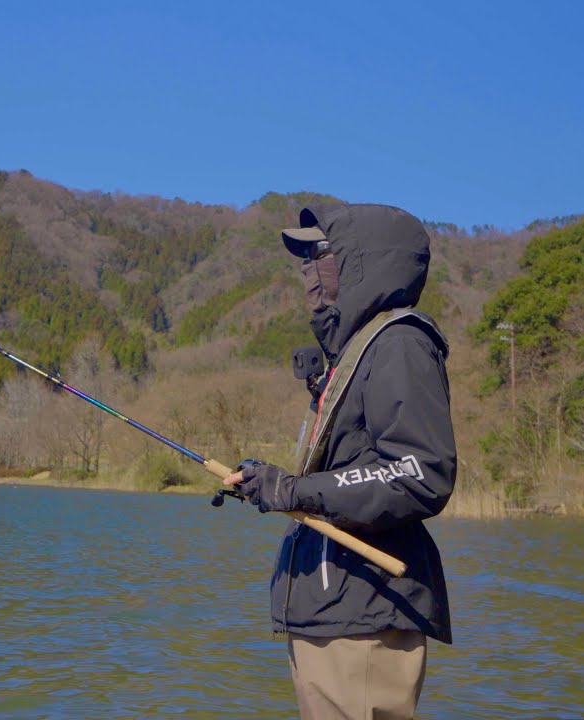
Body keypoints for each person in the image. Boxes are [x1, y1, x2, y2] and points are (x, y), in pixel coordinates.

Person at [224, 203, 457, 719]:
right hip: (334, 612)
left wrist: (294, 491)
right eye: (303, 258)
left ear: (359, 260)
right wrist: (271, 481)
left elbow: (420, 474)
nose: (308, 269)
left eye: (319, 254)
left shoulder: (399, 344)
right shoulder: (354, 352)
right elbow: (353, 469)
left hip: (365, 615)